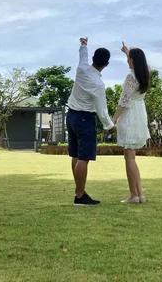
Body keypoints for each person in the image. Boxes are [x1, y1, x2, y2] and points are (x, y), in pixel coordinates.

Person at [66, 37, 116, 206]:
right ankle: (79, 195)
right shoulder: (98, 84)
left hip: (71, 115)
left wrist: (83, 44)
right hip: (85, 119)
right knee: (84, 157)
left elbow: (82, 56)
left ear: (93, 58)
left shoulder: (81, 69)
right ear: (106, 64)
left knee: (75, 155)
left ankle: (79, 191)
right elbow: (102, 111)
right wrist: (110, 126)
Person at [113, 42, 151, 204]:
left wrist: (112, 120)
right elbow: (134, 66)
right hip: (139, 115)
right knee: (132, 158)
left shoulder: (131, 77)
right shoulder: (144, 75)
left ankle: (133, 195)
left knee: (129, 158)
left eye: (129, 58)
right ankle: (139, 193)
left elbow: (124, 101)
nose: (128, 60)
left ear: (133, 61)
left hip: (129, 116)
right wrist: (127, 52)